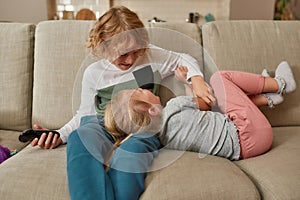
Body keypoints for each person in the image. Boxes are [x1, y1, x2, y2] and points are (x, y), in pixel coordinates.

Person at [30, 6, 212, 200]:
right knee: (80, 136)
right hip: (103, 123)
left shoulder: (150, 57)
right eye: (123, 54)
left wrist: (197, 79)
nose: (131, 59)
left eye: (136, 51)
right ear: (103, 46)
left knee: (132, 151)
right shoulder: (94, 73)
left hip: (142, 126)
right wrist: (59, 134)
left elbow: (183, 58)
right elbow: (83, 115)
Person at [105, 61, 296, 161]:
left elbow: (198, 113)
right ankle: (281, 84)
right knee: (219, 79)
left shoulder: (164, 139)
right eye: (139, 92)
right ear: (152, 111)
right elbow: (207, 102)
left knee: (224, 107)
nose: (143, 88)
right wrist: (186, 79)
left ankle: (267, 97)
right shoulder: (174, 105)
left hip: (247, 150)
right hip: (250, 133)